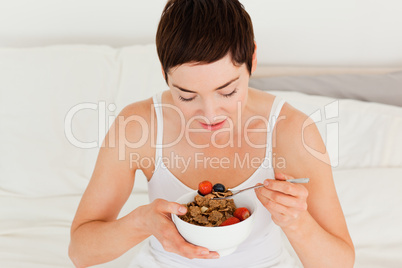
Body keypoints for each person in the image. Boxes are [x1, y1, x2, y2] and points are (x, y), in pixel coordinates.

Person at [69, 0, 355, 267]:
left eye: (227, 91)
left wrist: (297, 222)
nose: (210, 115)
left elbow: (341, 261)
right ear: (164, 73)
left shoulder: (291, 131)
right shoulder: (138, 124)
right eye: (186, 95)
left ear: (252, 60)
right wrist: (142, 222)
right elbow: (80, 251)